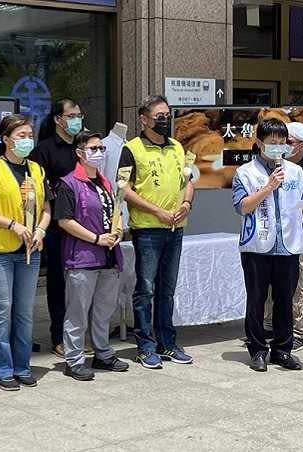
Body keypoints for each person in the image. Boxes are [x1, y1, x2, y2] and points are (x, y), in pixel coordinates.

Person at [232, 118, 303, 372]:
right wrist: (269, 186)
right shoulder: (246, 172)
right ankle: (258, 350)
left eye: (282, 143)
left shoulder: (295, 172)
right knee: (257, 300)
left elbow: (298, 209)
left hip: (289, 246)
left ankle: (283, 351)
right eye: (272, 143)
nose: (278, 148)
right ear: (259, 143)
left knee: (285, 300)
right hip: (257, 246)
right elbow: (242, 207)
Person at [0, 114, 52, 390]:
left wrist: (41, 229)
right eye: (21, 136)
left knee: (24, 312)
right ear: (5, 139)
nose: (27, 140)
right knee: (2, 310)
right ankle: (1, 369)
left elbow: (46, 209)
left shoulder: (37, 170)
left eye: (29, 135)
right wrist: (13, 225)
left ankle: (22, 365)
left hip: (29, 251)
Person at [117, 95, 194, 369]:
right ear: (144, 119)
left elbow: (188, 180)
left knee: (167, 290)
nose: (165, 120)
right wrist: (156, 211)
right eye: (159, 116)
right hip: (148, 229)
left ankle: (168, 343)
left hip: (176, 228)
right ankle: (145, 346)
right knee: (146, 289)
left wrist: (186, 202)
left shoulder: (177, 147)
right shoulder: (131, 149)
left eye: (167, 115)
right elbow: (123, 189)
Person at [55, 131, 129, 381]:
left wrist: (117, 229)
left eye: (101, 149)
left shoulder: (106, 182)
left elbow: (115, 211)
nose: (99, 153)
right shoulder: (68, 183)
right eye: (93, 149)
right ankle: (74, 359)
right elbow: (65, 221)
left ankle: (103, 353)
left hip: (109, 256)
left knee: (104, 310)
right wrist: (97, 239)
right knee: (77, 311)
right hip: (83, 258)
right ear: (80, 153)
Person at [264, 122, 303, 352]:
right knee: (272, 281)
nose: (282, 145)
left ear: (301, 145)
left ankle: (299, 331)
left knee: (295, 283)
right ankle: (270, 325)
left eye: (287, 141)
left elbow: (293, 205)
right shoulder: (277, 165)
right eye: (278, 141)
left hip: (293, 236)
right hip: (273, 234)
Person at [29, 98, 83, 358]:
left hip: (85, 226)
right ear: (58, 119)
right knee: (59, 283)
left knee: (82, 283)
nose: (76, 120)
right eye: (71, 115)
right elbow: (38, 189)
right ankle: (58, 335)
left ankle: (79, 334)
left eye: (79, 115)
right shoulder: (44, 150)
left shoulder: (83, 147)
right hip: (57, 227)